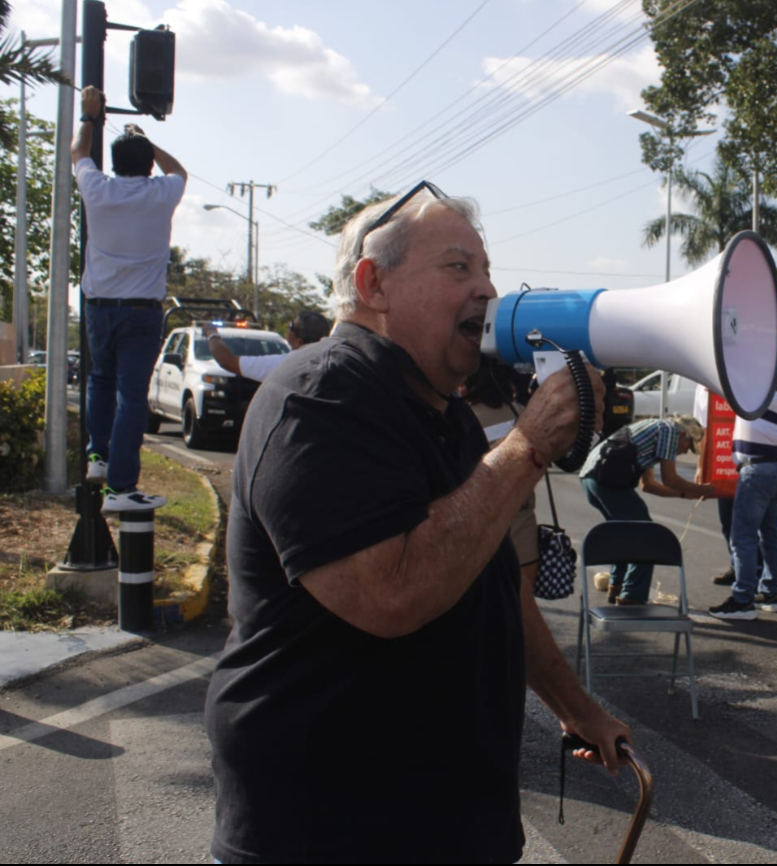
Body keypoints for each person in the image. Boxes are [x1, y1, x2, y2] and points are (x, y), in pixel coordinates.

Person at [204, 184, 630, 864]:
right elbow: (389, 594)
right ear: (373, 284)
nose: (486, 290)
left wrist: (575, 706)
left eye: (487, 271)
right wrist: (524, 449)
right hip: (332, 829)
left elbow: (494, 594)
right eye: (458, 268)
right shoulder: (322, 397)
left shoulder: (445, 414)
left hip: (445, 822)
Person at [72, 85, 186, 512]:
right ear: (146, 164)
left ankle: (97, 456)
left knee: (100, 380)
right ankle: (120, 489)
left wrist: (89, 114)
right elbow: (179, 170)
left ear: (115, 164)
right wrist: (146, 138)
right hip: (141, 312)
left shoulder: (97, 191)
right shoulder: (161, 195)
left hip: (98, 308)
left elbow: (78, 152)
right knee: (131, 397)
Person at [580, 414, 714, 605]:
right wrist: (700, 489)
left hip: (592, 478)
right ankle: (632, 596)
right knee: (646, 534)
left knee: (623, 532)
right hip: (605, 479)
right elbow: (670, 478)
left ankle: (616, 585)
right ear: (684, 434)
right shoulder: (669, 431)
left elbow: (648, 485)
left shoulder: (654, 430)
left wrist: (684, 495)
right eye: (689, 446)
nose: (685, 452)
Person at [709, 372, 777, 620]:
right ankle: (769, 593)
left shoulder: (757, 397)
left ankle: (742, 599)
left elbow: (725, 379)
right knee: (771, 534)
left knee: (743, 537)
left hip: (757, 471)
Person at [461, 356, 539, 588]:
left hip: (474, 527)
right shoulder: (522, 412)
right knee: (521, 610)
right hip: (522, 524)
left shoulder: (463, 417)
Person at [693, 383, 762, 586]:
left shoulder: (738, 381)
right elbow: (701, 431)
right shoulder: (701, 389)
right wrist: (701, 467)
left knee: (751, 522)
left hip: (748, 458)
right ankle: (738, 566)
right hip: (721, 462)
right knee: (728, 521)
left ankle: (756, 573)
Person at [201, 310, 330, 382]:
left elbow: (227, 361)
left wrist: (212, 334)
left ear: (299, 342)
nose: (287, 328)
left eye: (291, 325)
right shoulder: (333, 362)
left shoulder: (287, 364)